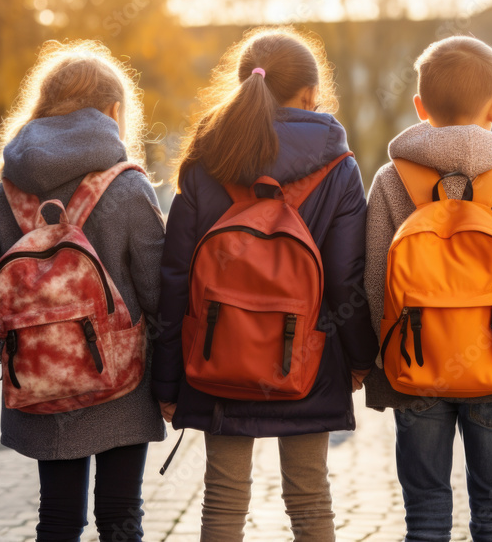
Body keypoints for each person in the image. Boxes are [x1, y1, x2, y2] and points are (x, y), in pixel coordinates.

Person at [155, 27, 378, 542]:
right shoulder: (338, 166)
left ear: (244, 85)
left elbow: (175, 277)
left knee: (223, 496)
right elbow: (346, 276)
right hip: (308, 356)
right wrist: (360, 358)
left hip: (218, 358)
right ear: (310, 93)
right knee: (310, 497)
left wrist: (167, 382)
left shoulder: (205, 159)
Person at [0, 40, 166, 541]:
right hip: (123, 378)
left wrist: (31, 326)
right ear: (113, 111)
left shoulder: (6, 192)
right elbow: (160, 291)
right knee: (121, 516)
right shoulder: (128, 187)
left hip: (43, 379)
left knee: (58, 518)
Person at [363, 35, 492, 541]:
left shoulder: (390, 179)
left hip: (415, 360)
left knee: (425, 507)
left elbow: (374, 277)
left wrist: (386, 352)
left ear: (420, 106)